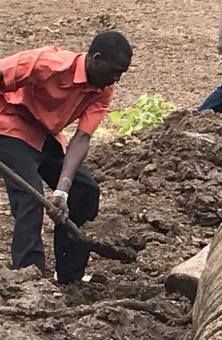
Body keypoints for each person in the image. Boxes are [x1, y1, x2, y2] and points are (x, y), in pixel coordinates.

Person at [0, 32, 132, 283]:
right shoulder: (47, 63)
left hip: (45, 134)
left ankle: (70, 276)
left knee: (85, 191)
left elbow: (81, 138)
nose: (116, 79)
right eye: (114, 71)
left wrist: (63, 189)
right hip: (10, 125)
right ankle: (29, 278)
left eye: (122, 73)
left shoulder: (103, 90)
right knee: (30, 196)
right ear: (96, 58)